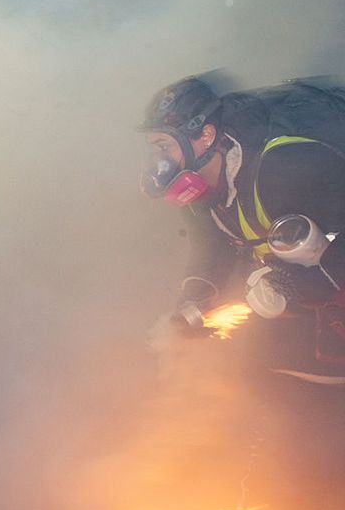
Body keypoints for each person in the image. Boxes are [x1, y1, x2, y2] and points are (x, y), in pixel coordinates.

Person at [141, 75, 345, 378]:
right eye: (155, 149)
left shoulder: (284, 166)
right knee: (262, 361)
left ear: (206, 136)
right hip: (312, 286)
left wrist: (296, 284)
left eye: (165, 146)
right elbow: (212, 245)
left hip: (330, 275)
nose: (160, 161)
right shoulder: (197, 192)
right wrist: (195, 299)